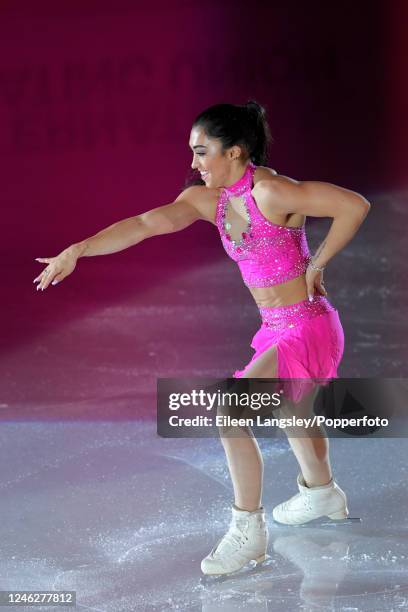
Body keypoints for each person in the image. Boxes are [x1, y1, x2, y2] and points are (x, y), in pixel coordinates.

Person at [33, 100, 370, 576]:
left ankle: (247, 533)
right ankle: (322, 494)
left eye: (201, 151)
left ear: (233, 152)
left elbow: (354, 205)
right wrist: (79, 250)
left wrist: (317, 265)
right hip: (274, 329)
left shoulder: (272, 192)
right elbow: (146, 224)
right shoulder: (206, 200)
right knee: (293, 411)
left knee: (232, 407)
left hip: (309, 324)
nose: (193, 163)